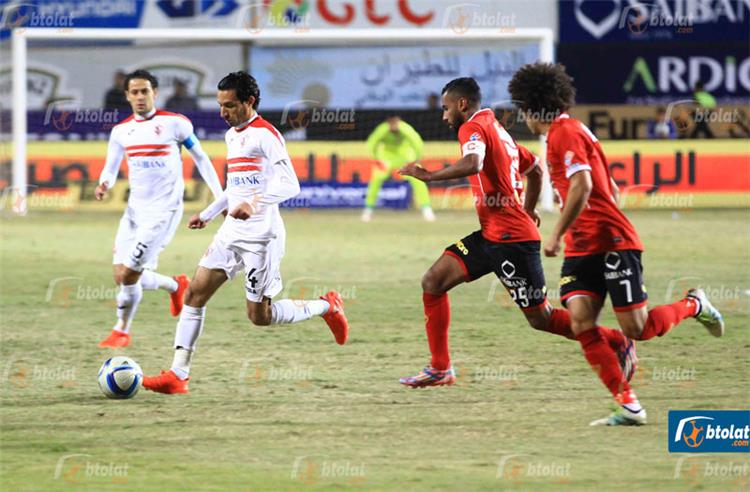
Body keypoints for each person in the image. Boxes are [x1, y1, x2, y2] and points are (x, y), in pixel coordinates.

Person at [508, 62, 725, 426]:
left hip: (612, 242)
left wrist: (557, 232)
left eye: (522, 108)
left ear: (532, 106)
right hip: (582, 246)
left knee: (637, 328)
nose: (521, 116)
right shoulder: (569, 132)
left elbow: (583, 187)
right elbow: (608, 187)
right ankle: (629, 405)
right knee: (581, 323)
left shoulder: (564, 133)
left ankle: (694, 303)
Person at [398, 77, 635, 389]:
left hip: (512, 242)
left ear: (462, 104)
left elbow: (473, 163)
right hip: (491, 235)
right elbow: (534, 168)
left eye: (446, 108)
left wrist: (429, 176)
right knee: (433, 281)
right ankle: (441, 369)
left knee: (541, 318)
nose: (444, 116)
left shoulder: (472, 127)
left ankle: (617, 340)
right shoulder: (498, 131)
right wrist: (529, 208)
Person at [142, 71, 350, 394]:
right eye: (220, 105)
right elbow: (235, 187)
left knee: (259, 316)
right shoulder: (232, 136)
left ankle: (327, 306)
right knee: (194, 294)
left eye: (229, 105)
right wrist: (209, 213)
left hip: (262, 237)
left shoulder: (266, 135)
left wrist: (254, 203)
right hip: (231, 232)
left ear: (249, 101)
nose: (222, 112)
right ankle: (178, 374)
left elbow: (290, 184)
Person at [95, 69, 224, 348]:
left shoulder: (175, 124)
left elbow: (201, 159)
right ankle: (176, 286)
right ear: (127, 96)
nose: (140, 96)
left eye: (145, 91)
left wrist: (220, 198)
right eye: (135, 92)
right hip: (133, 213)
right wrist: (104, 183)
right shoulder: (121, 131)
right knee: (121, 276)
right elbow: (110, 167)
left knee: (129, 275)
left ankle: (121, 330)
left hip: (163, 213)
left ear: (154, 92)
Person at [362, 116, 435, 222]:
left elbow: (417, 143)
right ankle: (368, 210)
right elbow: (371, 143)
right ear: (388, 124)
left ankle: (427, 209)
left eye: (396, 124)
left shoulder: (406, 129)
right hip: (386, 157)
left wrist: (416, 159)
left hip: (405, 157)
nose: (394, 127)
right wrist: (376, 159)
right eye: (391, 125)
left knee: (418, 179)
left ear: (399, 123)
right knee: (376, 180)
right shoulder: (382, 129)